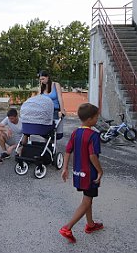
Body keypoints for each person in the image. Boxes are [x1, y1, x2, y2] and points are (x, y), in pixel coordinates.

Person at [59, 103, 104, 243]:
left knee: (87, 198)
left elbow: (67, 150)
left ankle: (90, 225)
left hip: (78, 173)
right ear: (90, 119)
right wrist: (100, 171)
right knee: (86, 201)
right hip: (89, 175)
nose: (97, 119)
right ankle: (67, 227)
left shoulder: (75, 133)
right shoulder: (93, 135)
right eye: (96, 117)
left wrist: (65, 168)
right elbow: (92, 156)